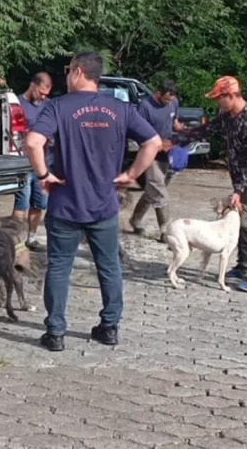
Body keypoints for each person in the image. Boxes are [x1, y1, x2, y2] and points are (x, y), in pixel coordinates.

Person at [24, 53, 161, 352]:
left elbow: (33, 142)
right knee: (109, 266)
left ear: (78, 72)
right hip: (103, 205)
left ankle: (55, 332)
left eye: (68, 71)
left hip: (65, 204)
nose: (65, 76)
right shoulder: (121, 108)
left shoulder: (57, 106)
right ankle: (109, 327)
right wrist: (131, 174)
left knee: (59, 267)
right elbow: (153, 142)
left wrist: (44, 174)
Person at [175, 76, 247, 292]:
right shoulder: (227, 115)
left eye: (219, 98)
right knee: (237, 222)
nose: (217, 103)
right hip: (242, 178)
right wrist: (179, 138)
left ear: (230, 96)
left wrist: (239, 191)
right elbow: (208, 129)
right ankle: (240, 266)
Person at [128, 80, 183, 241]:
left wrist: (183, 132)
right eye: (166, 99)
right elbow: (137, 132)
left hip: (168, 154)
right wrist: (157, 144)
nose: (169, 102)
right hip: (150, 154)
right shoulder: (145, 107)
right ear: (158, 93)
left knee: (153, 189)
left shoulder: (173, 102)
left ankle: (135, 220)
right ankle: (166, 232)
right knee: (159, 192)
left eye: (171, 99)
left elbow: (175, 123)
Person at [13, 72, 53, 251]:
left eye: (46, 94)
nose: (43, 97)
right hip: (22, 162)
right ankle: (15, 239)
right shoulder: (17, 104)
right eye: (41, 93)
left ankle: (32, 237)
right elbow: (14, 131)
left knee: (39, 203)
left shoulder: (49, 106)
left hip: (43, 163)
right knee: (22, 202)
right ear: (32, 85)